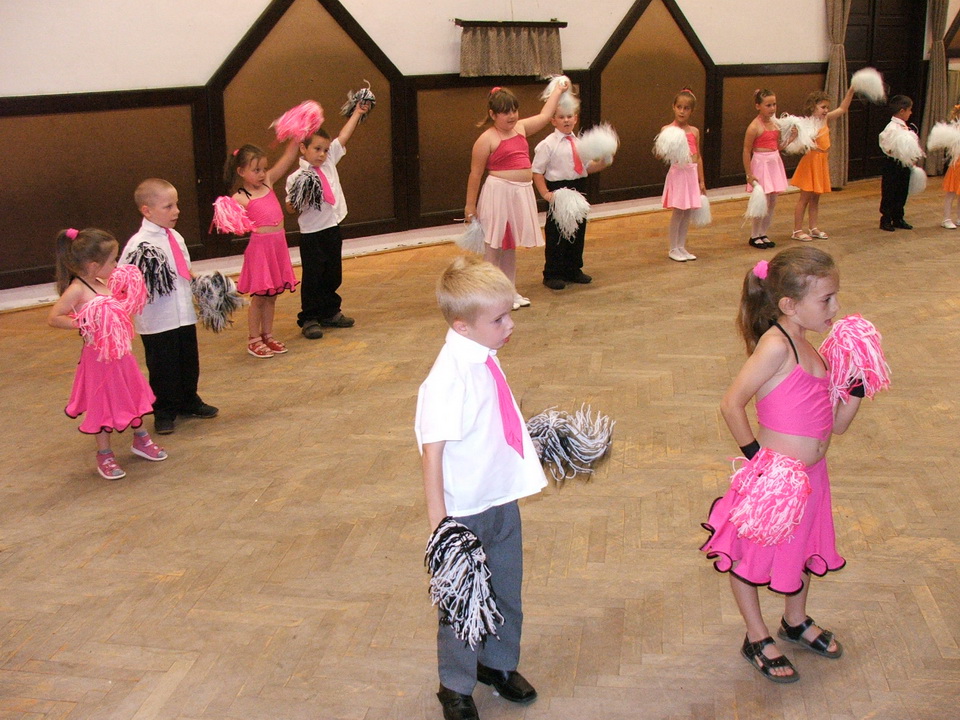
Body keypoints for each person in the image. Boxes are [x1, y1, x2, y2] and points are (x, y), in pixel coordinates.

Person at [700, 247, 864, 683]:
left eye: (835, 297)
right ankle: (756, 636)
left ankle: (795, 620)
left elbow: (837, 425)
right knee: (748, 558)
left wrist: (856, 388)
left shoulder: (812, 347)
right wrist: (758, 460)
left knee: (804, 548)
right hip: (775, 483)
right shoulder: (776, 345)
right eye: (826, 299)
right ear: (789, 305)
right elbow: (731, 403)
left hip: (812, 479)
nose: (835, 307)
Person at [416, 255, 547, 720]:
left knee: (506, 590)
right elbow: (432, 453)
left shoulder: (483, 355)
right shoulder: (447, 378)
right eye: (499, 319)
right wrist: (441, 528)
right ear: (463, 326)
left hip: (501, 498)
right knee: (463, 602)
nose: (510, 325)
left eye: (508, 314)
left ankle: (497, 663)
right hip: (465, 513)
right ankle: (454, 685)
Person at [49, 227, 167, 479]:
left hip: (122, 355)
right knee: (102, 403)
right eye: (112, 260)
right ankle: (104, 454)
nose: (116, 265)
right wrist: (83, 322)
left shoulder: (103, 283)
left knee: (131, 396)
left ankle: (141, 439)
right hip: (98, 359)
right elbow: (54, 317)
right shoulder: (77, 289)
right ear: (93, 266)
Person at [121, 179, 218, 434]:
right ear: (147, 211)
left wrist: (203, 284)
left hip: (183, 314)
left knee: (188, 361)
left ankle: (189, 400)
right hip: (158, 320)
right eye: (168, 206)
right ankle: (164, 410)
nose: (176, 211)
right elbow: (124, 279)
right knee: (163, 367)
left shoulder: (175, 237)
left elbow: (183, 270)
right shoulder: (138, 245)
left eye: (176, 204)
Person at [465, 81, 570, 310]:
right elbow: (475, 174)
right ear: (492, 114)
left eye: (514, 110)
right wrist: (470, 206)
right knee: (494, 247)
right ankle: (491, 297)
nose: (511, 116)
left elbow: (545, 115)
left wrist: (558, 90)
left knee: (509, 246)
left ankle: (509, 291)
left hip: (519, 194)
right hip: (498, 194)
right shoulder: (487, 139)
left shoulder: (520, 128)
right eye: (505, 112)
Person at [284, 101, 369, 339]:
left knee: (333, 273)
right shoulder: (297, 177)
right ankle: (310, 317)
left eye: (325, 149)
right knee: (313, 276)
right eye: (317, 149)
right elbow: (290, 208)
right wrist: (301, 196)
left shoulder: (329, 161)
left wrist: (357, 113)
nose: (322, 154)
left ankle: (330, 311)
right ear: (303, 148)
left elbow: (343, 137)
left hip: (332, 228)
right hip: (312, 234)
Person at [227, 140, 300, 357]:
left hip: (278, 246)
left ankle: (267, 334)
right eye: (256, 170)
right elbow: (232, 224)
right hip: (260, 251)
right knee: (259, 297)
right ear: (241, 171)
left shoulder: (268, 182)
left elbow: (288, 158)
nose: (261, 174)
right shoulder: (240, 197)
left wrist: (296, 138)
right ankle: (254, 339)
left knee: (272, 295)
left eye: (263, 169)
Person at [532, 93, 610, 287]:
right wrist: (545, 194)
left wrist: (604, 161)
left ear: (575, 118)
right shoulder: (547, 145)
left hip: (578, 189)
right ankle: (552, 273)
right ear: (553, 120)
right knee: (556, 234)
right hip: (558, 191)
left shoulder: (580, 143)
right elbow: (537, 171)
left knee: (577, 231)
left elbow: (586, 167)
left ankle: (573, 268)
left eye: (569, 116)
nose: (566, 120)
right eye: (561, 117)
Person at [790, 87, 856, 241]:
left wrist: (851, 91)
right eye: (823, 107)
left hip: (821, 162)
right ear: (813, 107)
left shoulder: (824, 120)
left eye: (827, 107)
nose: (826, 110)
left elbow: (842, 109)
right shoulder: (805, 124)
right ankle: (797, 230)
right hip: (811, 162)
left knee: (816, 198)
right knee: (804, 198)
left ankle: (813, 227)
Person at [659, 88, 706, 262]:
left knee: (687, 213)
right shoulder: (668, 129)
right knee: (679, 212)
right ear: (673, 107)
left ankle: (681, 246)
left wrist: (701, 180)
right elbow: (660, 154)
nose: (682, 111)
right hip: (679, 174)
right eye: (679, 107)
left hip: (691, 174)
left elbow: (698, 156)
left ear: (691, 111)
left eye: (686, 108)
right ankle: (673, 248)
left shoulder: (694, 131)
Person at [744, 89, 787, 249]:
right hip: (761, 163)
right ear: (758, 106)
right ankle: (754, 234)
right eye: (768, 105)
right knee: (761, 200)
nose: (772, 108)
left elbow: (778, 146)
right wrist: (749, 173)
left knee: (772, 201)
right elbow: (746, 150)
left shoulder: (776, 124)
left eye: (774, 104)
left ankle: (763, 232)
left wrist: (791, 138)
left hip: (774, 162)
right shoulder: (754, 127)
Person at [878, 95, 916, 232]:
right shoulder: (892, 128)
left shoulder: (904, 126)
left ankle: (898, 217)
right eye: (909, 110)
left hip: (904, 164)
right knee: (890, 191)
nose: (911, 113)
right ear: (902, 111)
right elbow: (885, 143)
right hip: (893, 164)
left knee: (902, 191)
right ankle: (886, 219)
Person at [940, 104, 960, 229]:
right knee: (951, 193)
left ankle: (959, 217)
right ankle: (946, 218)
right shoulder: (956, 128)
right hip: (957, 165)